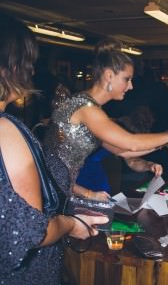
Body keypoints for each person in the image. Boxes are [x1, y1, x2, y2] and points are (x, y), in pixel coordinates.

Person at [0, 14, 108, 284]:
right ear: (8, 67)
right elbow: (31, 232)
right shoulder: (6, 130)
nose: (32, 71)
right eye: (28, 63)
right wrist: (73, 224)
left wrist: (83, 193)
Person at [43, 40, 168, 201]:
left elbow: (125, 151)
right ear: (109, 75)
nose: (131, 87)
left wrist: (166, 143)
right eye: (126, 79)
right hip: (56, 196)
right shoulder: (86, 108)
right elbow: (131, 143)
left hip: (62, 190)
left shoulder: (88, 106)